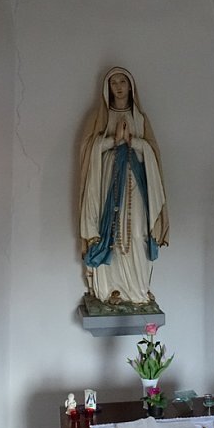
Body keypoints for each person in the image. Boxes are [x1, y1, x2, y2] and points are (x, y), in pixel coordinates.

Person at [79, 67, 169, 306]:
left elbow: (152, 152)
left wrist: (134, 142)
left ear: (131, 86)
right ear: (107, 88)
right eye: (114, 83)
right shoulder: (100, 117)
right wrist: (113, 141)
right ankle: (110, 289)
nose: (118, 87)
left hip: (136, 185)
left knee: (137, 231)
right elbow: (88, 152)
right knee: (110, 230)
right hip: (108, 184)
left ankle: (137, 289)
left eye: (123, 82)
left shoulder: (140, 119)